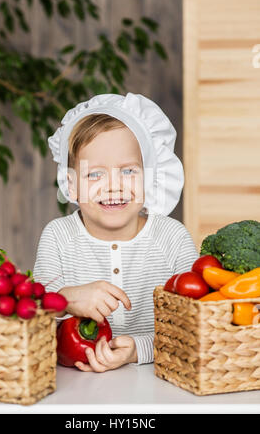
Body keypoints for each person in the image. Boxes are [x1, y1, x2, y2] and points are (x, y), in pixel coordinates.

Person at [33, 92, 199, 372]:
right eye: (94, 174)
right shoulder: (58, 237)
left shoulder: (172, 238)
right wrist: (66, 299)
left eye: (128, 171)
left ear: (151, 177)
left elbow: (194, 324)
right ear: (70, 185)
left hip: (159, 387)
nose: (113, 186)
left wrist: (139, 349)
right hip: (72, 391)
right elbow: (32, 318)